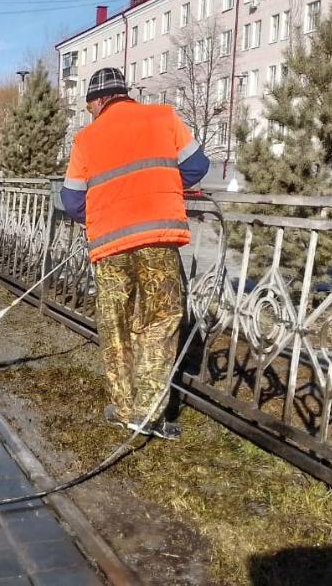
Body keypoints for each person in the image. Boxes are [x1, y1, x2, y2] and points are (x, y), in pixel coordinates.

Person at [61, 67, 210, 441]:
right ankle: (151, 412)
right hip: (157, 237)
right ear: (124, 93)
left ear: (98, 101)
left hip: (110, 244)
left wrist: (98, 214)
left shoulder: (85, 139)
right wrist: (157, 188)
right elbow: (196, 166)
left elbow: (72, 199)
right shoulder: (163, 117)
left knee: (116, 323)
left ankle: (125, 409)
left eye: (89, 106)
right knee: (160, 319)